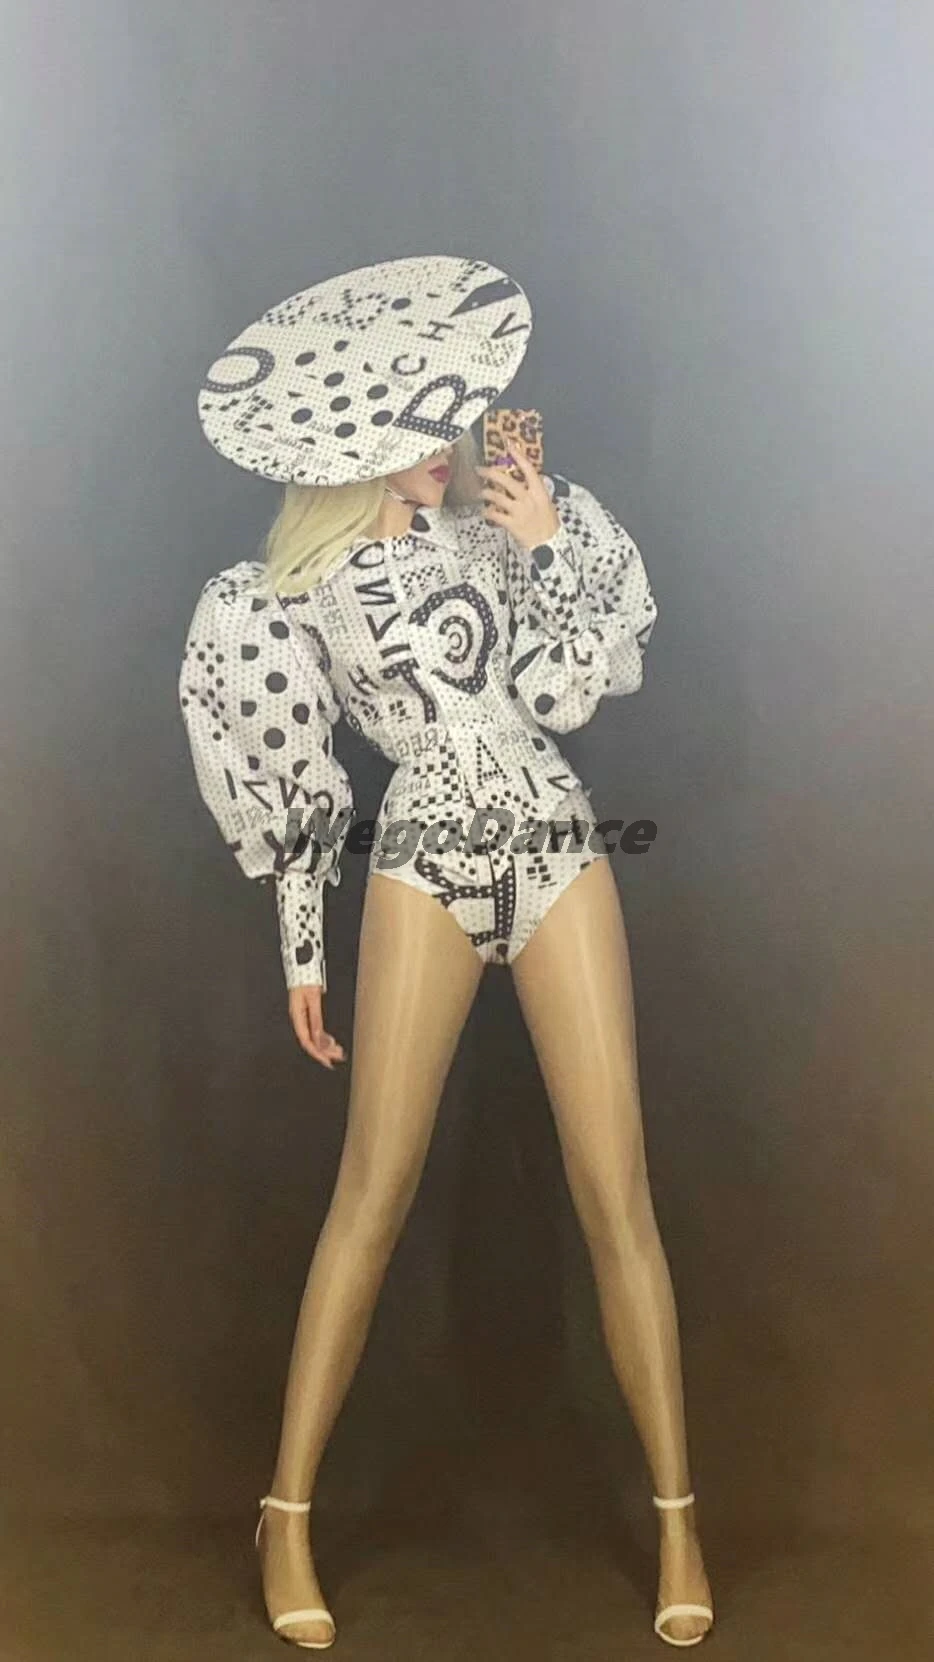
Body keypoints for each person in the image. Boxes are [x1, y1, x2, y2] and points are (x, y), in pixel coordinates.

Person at [178, 255, 714, 1648]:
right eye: (420, 425)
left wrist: (543, 539)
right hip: (420, 853)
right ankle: (286, 1512)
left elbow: (565, 691)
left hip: (555, 838)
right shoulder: (294, 589)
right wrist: (302, 943)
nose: (449, 442)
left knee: (616, 1187)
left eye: (455, 414)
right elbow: (298, 766)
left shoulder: (505, 521)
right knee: (373, 1187)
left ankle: (678, 1518)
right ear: (354, 440)